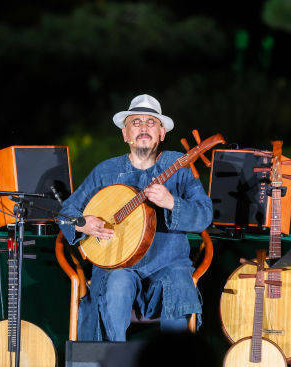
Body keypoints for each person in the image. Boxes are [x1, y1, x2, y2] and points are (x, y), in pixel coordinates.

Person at [58, 94, 213, 341]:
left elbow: (205, 214)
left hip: (168, 264)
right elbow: (66, 213)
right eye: (136, 122)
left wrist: (171, 202)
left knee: (178, 281)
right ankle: (114, 358)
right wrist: (83, 223)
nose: (143, 128)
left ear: (162, 133)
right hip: (117, 266)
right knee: (117, 282)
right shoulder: (105, 171)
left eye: (151, 122)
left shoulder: (179, 167)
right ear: (125, 134)